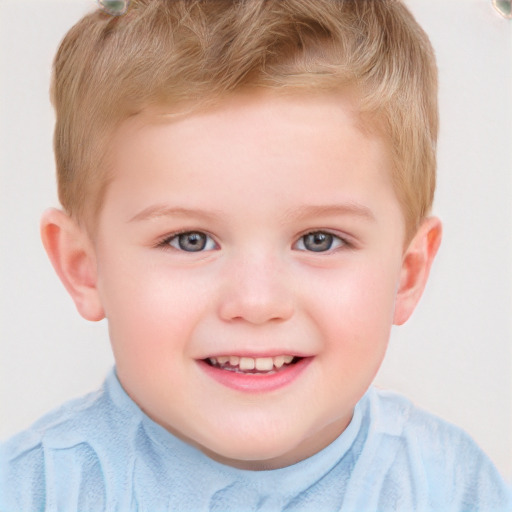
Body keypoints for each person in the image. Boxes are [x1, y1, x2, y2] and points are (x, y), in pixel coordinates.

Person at [1, 0, 510, 510]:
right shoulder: (33, 493)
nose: (257, 301)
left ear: (407, 273)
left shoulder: (453, 488)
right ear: (83, 267)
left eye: (320, 240)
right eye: (190, 240)